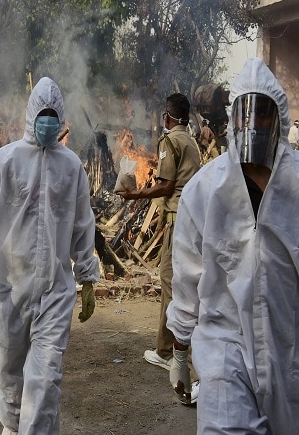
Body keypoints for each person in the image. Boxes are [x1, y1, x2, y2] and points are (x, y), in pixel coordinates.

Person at [0, 77, 99, 434]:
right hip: (10, 289)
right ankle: (11, 427)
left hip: (55, 290)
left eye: (54, 114)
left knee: (46, 379)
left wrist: (88, 278)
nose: (49, 120)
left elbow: (82, 226)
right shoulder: (3, 162)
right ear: (32, 113)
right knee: (10, 373)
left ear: (61, 117)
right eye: (44, 113)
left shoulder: (72, 168)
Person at [166, 58, 299, 433]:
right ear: (232, 119)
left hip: (288, 348)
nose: (252, 124)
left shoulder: (297, 186)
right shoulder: (205, 191)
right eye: (245, 115)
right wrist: (180, 350)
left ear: (279, 120)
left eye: (263, 115)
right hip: (225, 345)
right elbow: (187, 277)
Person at [116, 93, 201, 402]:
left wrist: (135, 195)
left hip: (179, 219)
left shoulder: (171, 142)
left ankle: (174, 353)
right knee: (175, 282)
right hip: (190, 217)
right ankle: (167, 348)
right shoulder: (190, 140)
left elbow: (165, 185)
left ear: (168, 117)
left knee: (171, 281)